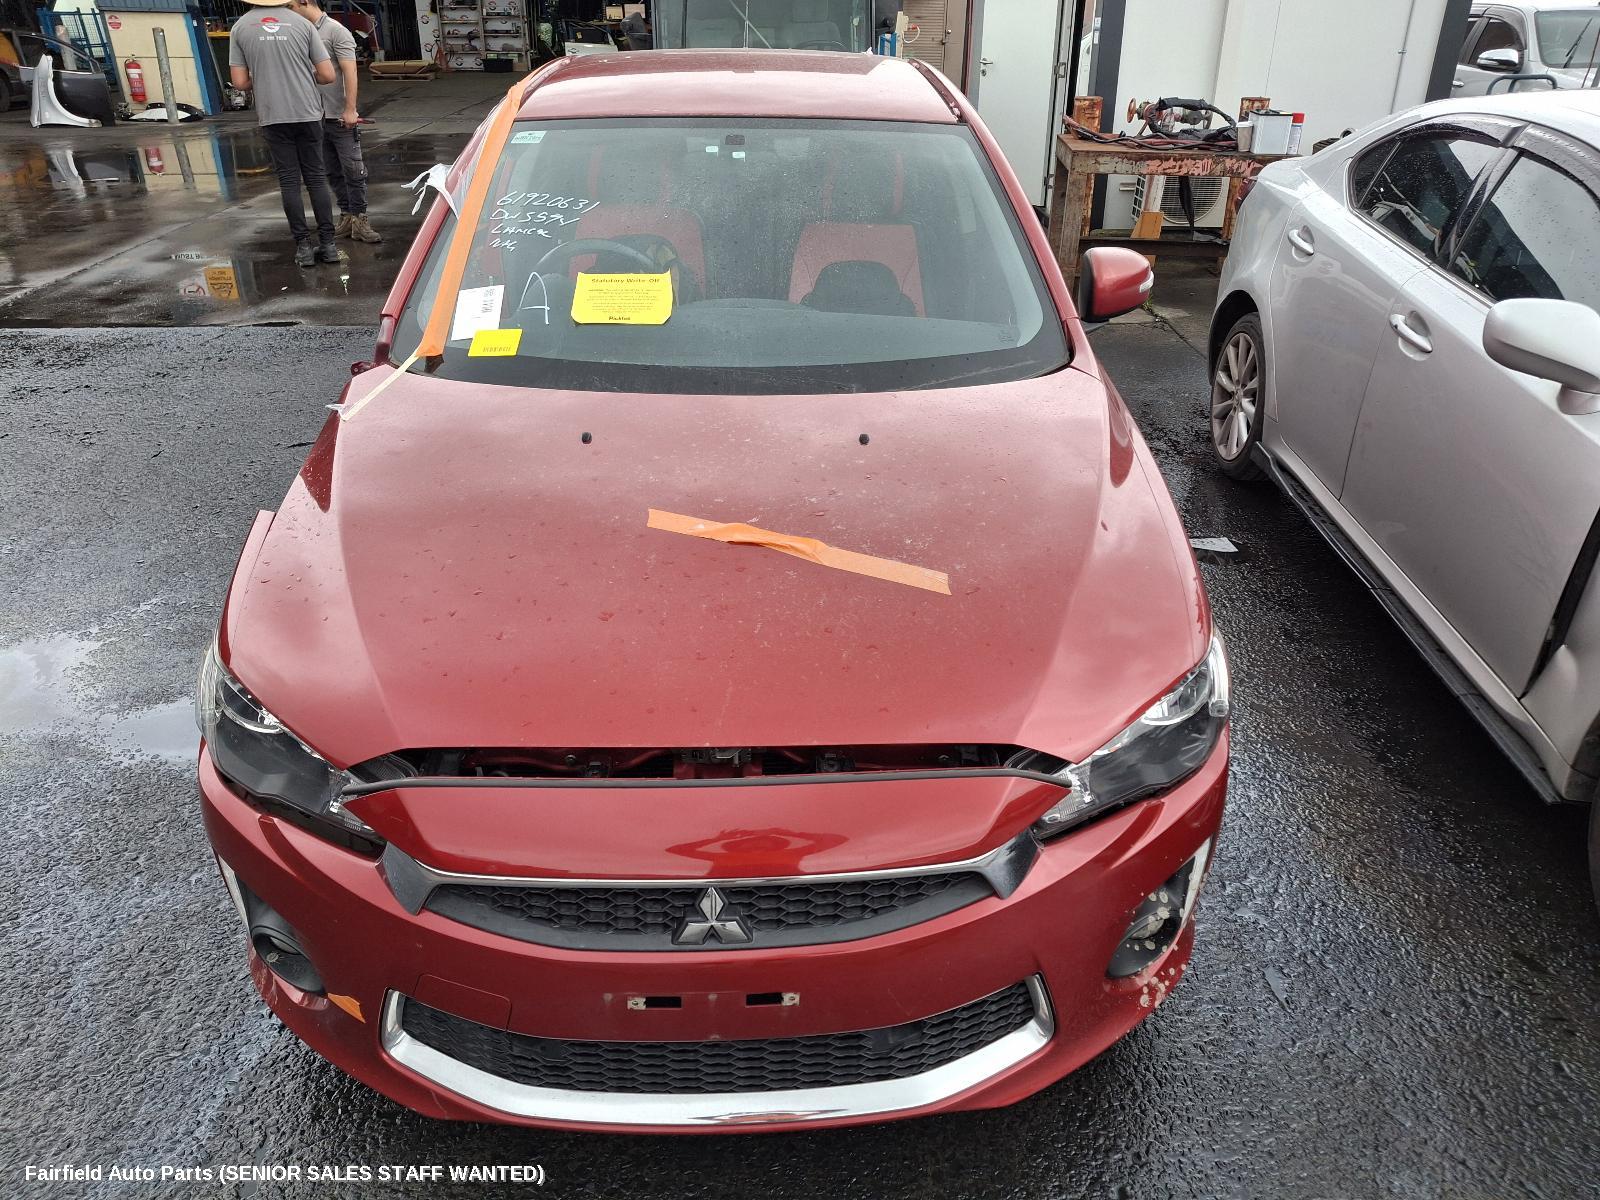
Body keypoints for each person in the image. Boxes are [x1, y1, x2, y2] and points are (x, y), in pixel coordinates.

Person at [228, 0, 347, 267]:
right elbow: (328, 75)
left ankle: (303, 248)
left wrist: (265, 77)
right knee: (316, 178)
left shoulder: (240, 28)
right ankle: (328, 246)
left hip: (273, 115)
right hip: (307, 112)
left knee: (289, 181)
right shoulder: (303, 24)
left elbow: (239, 82)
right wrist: (303, 75)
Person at [288, 0, 381, 243]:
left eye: (291, 6)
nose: (289, 11)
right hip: (313, 116)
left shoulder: (335, 32)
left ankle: (360, 219)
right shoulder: (300, 31)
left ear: (305, 2)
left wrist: (350, 109)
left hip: (339, 117)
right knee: (331, 171)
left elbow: (350, 71)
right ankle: (347, 215)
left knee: (353, 170)